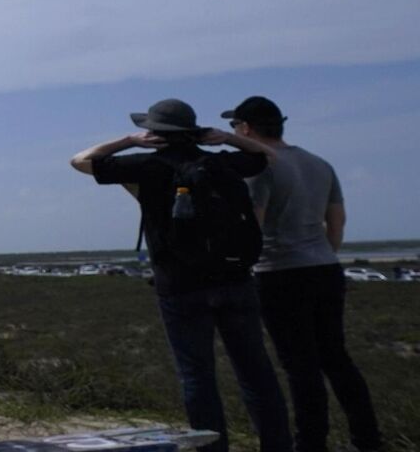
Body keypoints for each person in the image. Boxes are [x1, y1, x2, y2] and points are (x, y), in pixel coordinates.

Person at [70, 98, 290, 452]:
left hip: (180, 285)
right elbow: (268, 156)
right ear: (192, 131)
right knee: (256, 371)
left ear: (154, 132)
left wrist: (129, 141)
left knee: (197, 376)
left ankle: (211, 447)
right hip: (235, 279)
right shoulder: (222, 163)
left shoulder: (147, 165)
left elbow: (80, 160)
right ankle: (278, 445)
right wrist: (227, 138)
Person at [225, 96, 382, 452]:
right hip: (325, 266)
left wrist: (242, 264)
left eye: (236, 127)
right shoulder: (319, 163)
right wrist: (322, 252)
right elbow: (337, 222)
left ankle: (310, 442)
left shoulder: (261, 167)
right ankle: (367, 439)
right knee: (337, 359)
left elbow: (255, 225)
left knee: (300, 366)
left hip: (280, 271)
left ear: (246, 128)